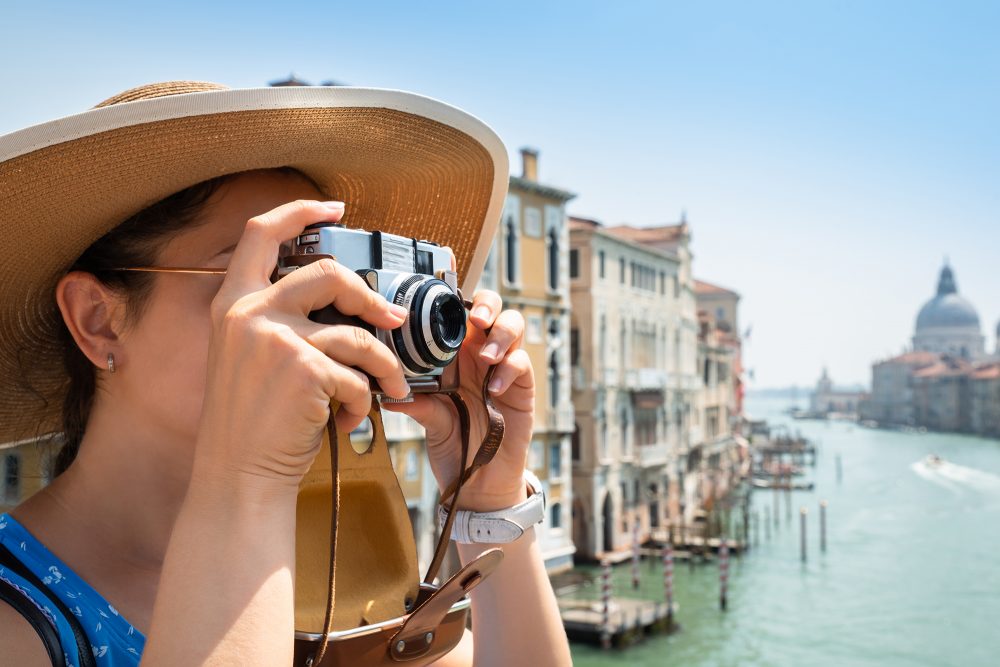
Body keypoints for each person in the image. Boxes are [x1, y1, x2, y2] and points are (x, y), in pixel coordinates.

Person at [0, 82, 572, 666]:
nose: (321, 319)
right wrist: (247, 478)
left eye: (329, 280)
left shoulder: (335, 571)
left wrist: (488, 503)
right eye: (268, 278)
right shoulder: (17, 622)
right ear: (99, 321)